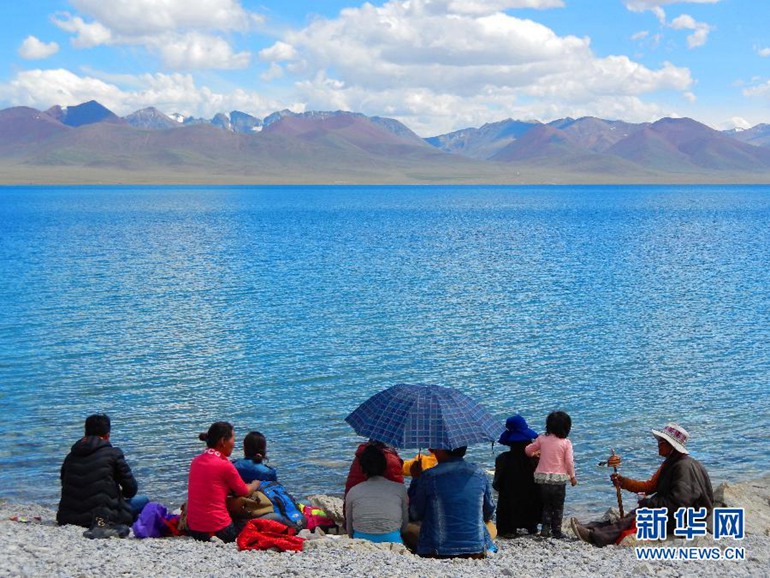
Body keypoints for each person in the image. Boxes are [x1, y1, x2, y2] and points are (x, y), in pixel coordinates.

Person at [571, 422, 714, 547]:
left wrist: (648, 503)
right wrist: (622, 482)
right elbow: (650, 486)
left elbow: (679, 503)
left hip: (686, 520)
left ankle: (595, 537)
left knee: (636, 516)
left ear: (671, 446)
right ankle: (590, 527)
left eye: (661, 442)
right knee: (633, 514)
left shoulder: (682, 467)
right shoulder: (673, 462)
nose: (658, 445)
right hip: (680, 514)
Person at [57, 414, 147, 527]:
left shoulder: (70, 456)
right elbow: (131, 490)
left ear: (85, 433)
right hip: (101, 519)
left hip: (68, 519)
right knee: (144, 501)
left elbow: (64, 484)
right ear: (107, 435)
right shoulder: (114, 454)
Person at [408, 446, 496, 558]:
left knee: (408, 528)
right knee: (491, 527)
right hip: (475, 550)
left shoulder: (428, 476)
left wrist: (416, 479)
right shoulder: (480, 473)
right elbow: (489, 511)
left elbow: (415, 514)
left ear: (441, 450)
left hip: (437, 550)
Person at [186, 422, 260, 543]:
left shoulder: (195, 461)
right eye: (232, 439)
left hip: (194, 529)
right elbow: (244, 491)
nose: (234, 444)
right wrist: (255, 484)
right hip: (220, 530)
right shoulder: (224, 465)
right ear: (222, 441)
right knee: (248, 520)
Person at [525, 411, 577, 538]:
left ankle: (544, 529)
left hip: (542, 479)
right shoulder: (566, 443)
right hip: (558, 480)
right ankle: (557, 531)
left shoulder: (542, 439)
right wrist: (572, 477)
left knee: (546, 505)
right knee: (558, 506)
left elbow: (527, 450)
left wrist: (534, 454)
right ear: (566, 427)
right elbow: (569, 462)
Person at [345, 444, 409, 543]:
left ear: (362, 469)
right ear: (385, 467)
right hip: (392, 540)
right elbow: (404, 526)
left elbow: (349, 528)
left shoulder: (353, 491)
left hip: (361, 540)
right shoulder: (400, 489)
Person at [493, 414, 542, 537]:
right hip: (532, 509)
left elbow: (496, 484)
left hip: (509, 511)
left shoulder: (502, 459)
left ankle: (509, 530)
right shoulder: (535, 460)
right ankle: (532, 526)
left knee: (507, 497)